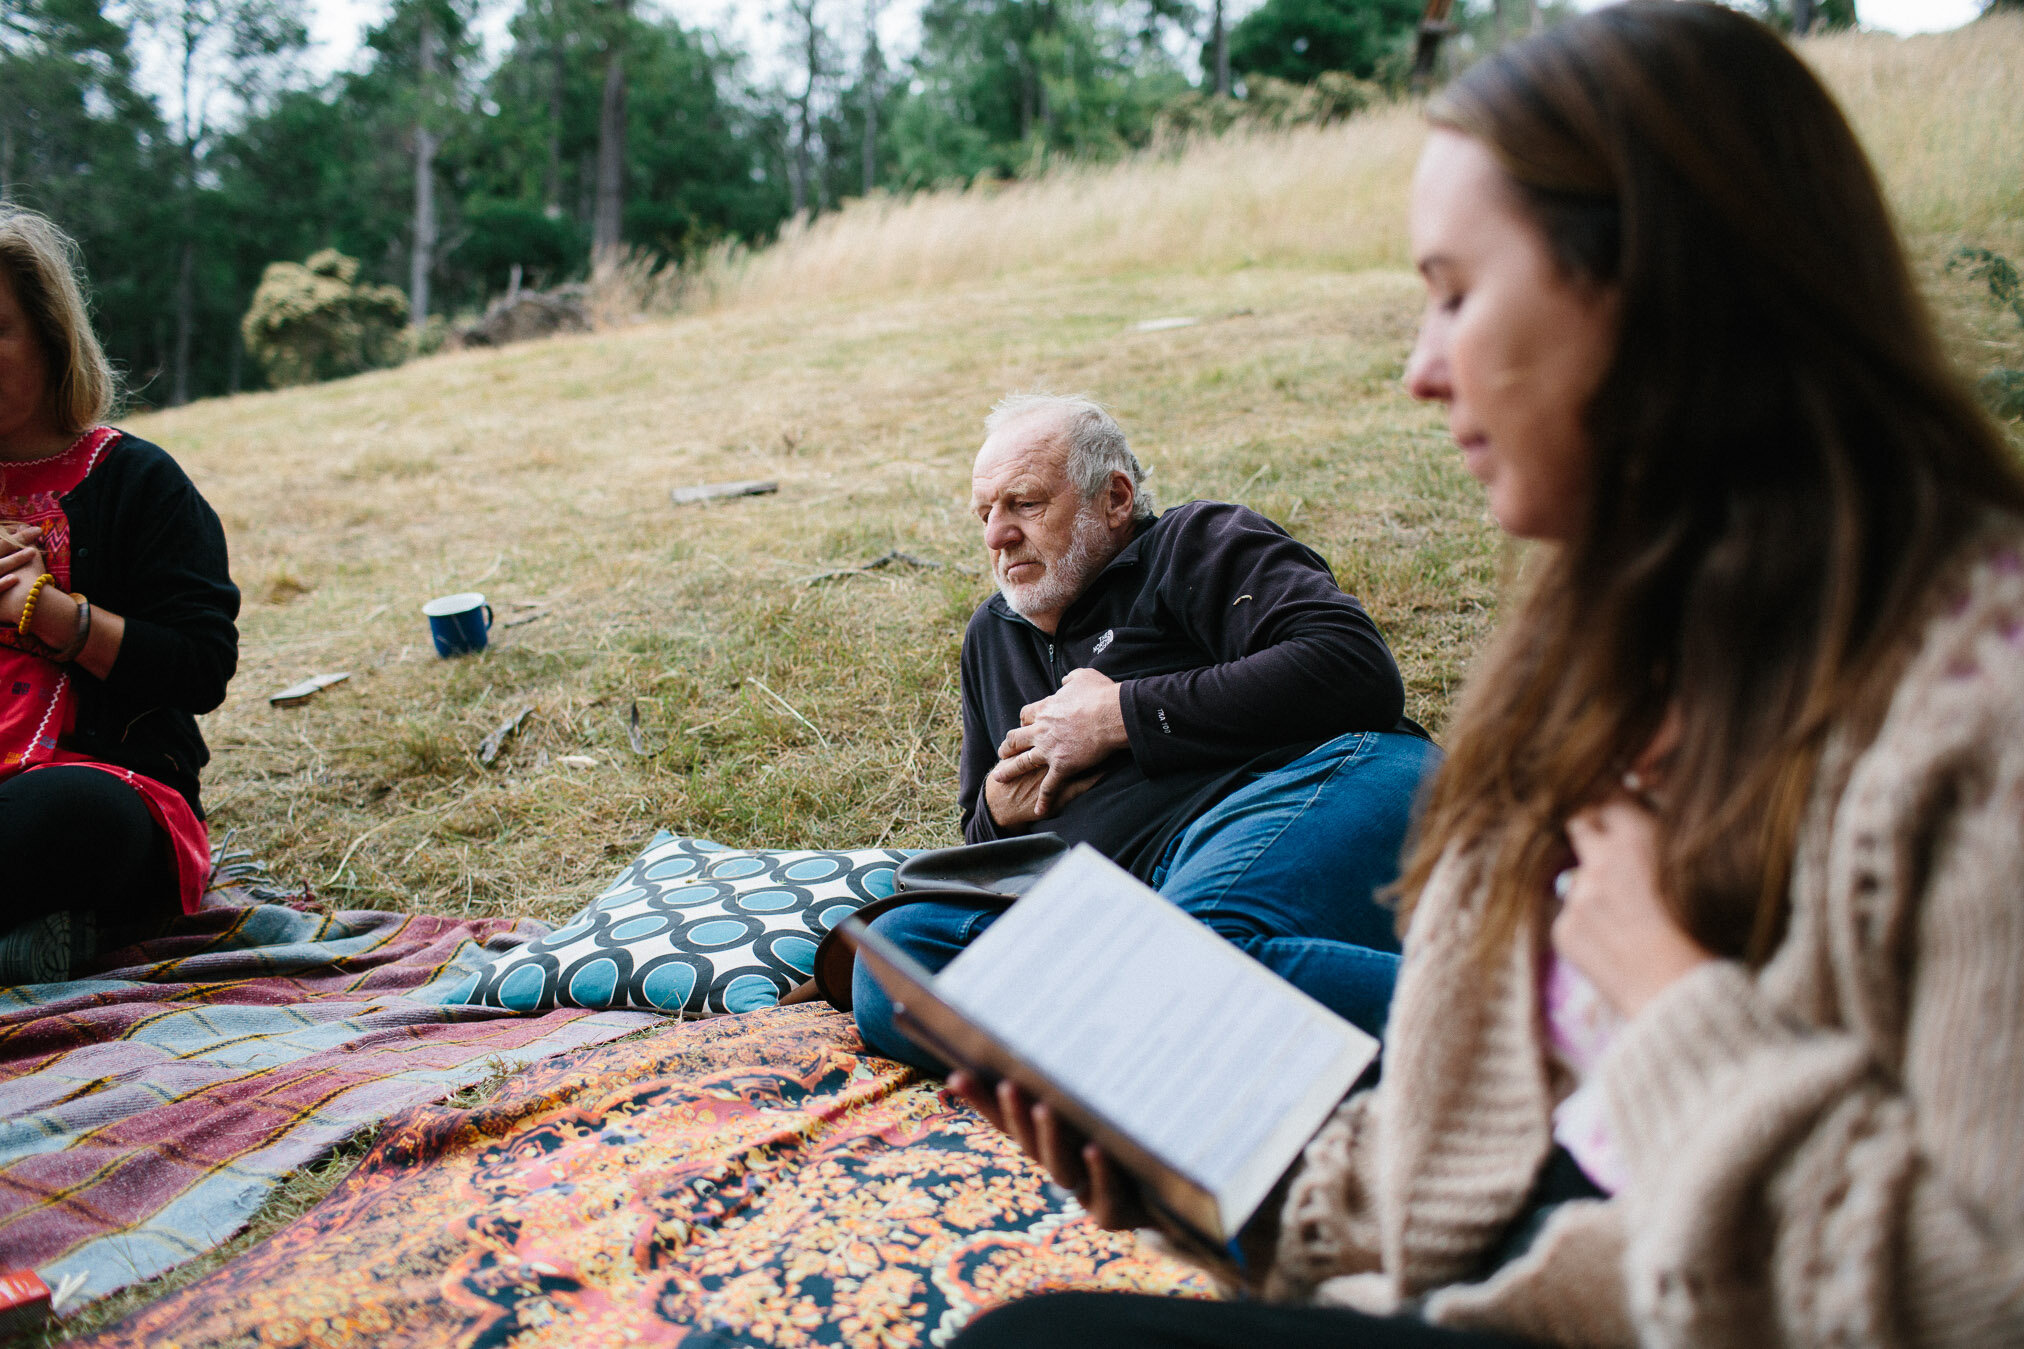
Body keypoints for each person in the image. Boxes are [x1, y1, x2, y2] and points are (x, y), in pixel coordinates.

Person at [946, 4, 2024, 1346]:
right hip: (1532, 1276)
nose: (1418, 366)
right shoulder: (1585, 651)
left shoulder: (1979, 713)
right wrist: (1199, 1176)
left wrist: (1673, 994)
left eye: (1457, 293)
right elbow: (1465, 1158)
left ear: (1656, 295)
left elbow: (1977, 1298)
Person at [852, 392, 1442, 1068]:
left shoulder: (1195, 543)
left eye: (1025, 504)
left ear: (1116, 498)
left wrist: (1119, 716)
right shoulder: (992, 637)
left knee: (1205, 945)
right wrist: (995, 808)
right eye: (986, 513)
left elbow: (1354, 668)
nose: (996, 535)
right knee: (896, 963)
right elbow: (981, 844)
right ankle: (1167, 1051)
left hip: (1314, 782)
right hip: (1131, 897)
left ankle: (1538, 1025)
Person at [0, 206, 239, 983]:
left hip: (98, 788)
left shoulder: (137, 480)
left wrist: (50, 611)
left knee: (72, 815)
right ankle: (32, 941)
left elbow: (201, 666)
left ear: (49, 332)